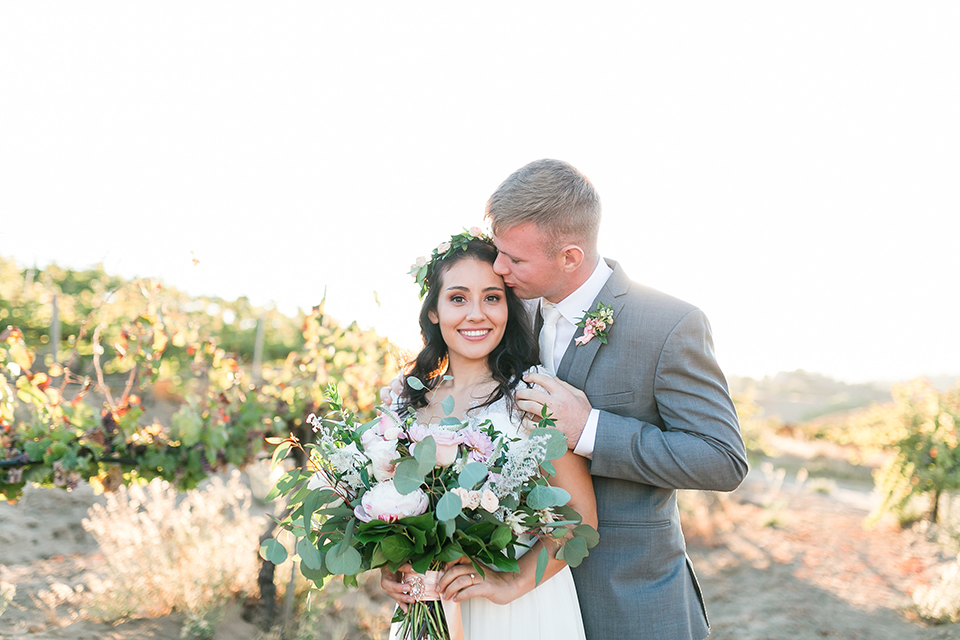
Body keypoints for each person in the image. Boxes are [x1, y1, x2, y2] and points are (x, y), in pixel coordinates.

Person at [485, 159, 749, 640]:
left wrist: (589, 430)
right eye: (499, 252)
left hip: (630, 604)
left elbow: (723, 461)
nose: (499, 269)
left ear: (570, 256)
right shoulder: (506, 314)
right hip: (524, 601)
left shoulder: (668, 325)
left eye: (515, 260)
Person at [380, 234, 598, 640]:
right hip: (428, 608)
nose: (476, 314)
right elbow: (396, 511)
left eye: (492, 298)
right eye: (458, 298)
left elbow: (580, 519)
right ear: (434, 312)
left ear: (508, 309)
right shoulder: (404, 403)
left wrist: (510, 585)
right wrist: (390, 569)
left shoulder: (533, 397)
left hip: (517, 613)